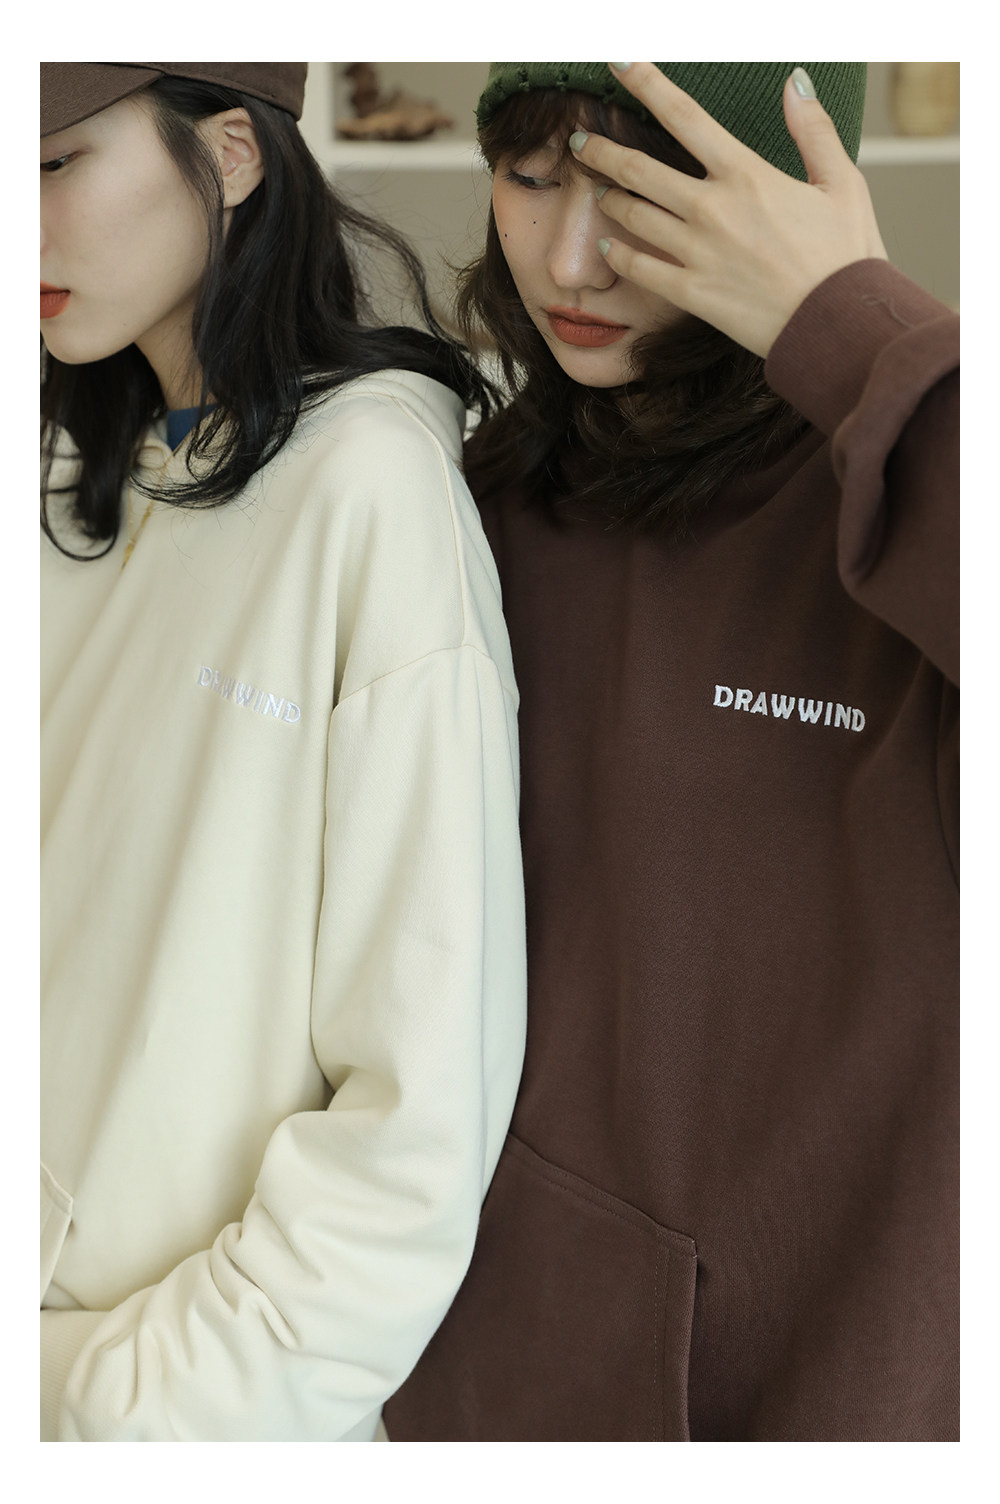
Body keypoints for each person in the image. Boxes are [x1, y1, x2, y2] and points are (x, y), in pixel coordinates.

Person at [383, 62, 959, 1441]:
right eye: (532, 180)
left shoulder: (907, 501)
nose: (572, 261)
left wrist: (851, 319)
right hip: (489, 1385)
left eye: (649, 201)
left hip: (853, 1399)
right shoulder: (472, 501)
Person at [40, 61, 526, 1442]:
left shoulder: (372, 492)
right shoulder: (71, 474)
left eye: (54, 163)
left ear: (235, 157)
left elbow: (412, 1130)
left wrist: (113, 1417)